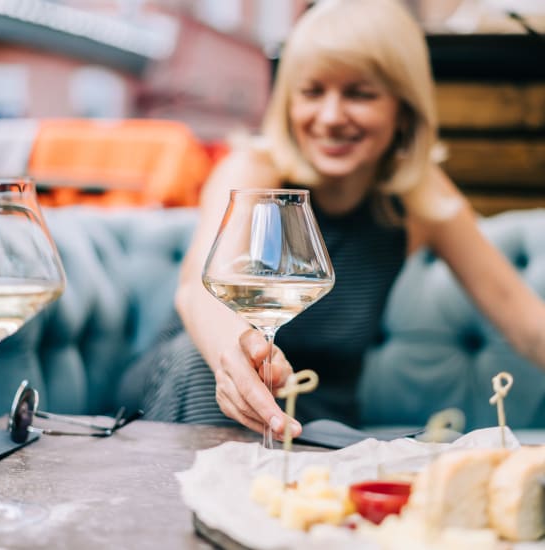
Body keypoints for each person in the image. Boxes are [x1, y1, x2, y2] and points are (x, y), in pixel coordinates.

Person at [117, 0, 545, 439]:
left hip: (320, 423)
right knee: (201, 366)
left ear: (403, 108)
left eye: (360, 94)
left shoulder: (418, 198)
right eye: (312, 91)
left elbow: (525, 321)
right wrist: (235, 357)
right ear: (288, 102)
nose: (330, 116)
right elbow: (198, 290)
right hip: (191, 378)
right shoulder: (256, 170)